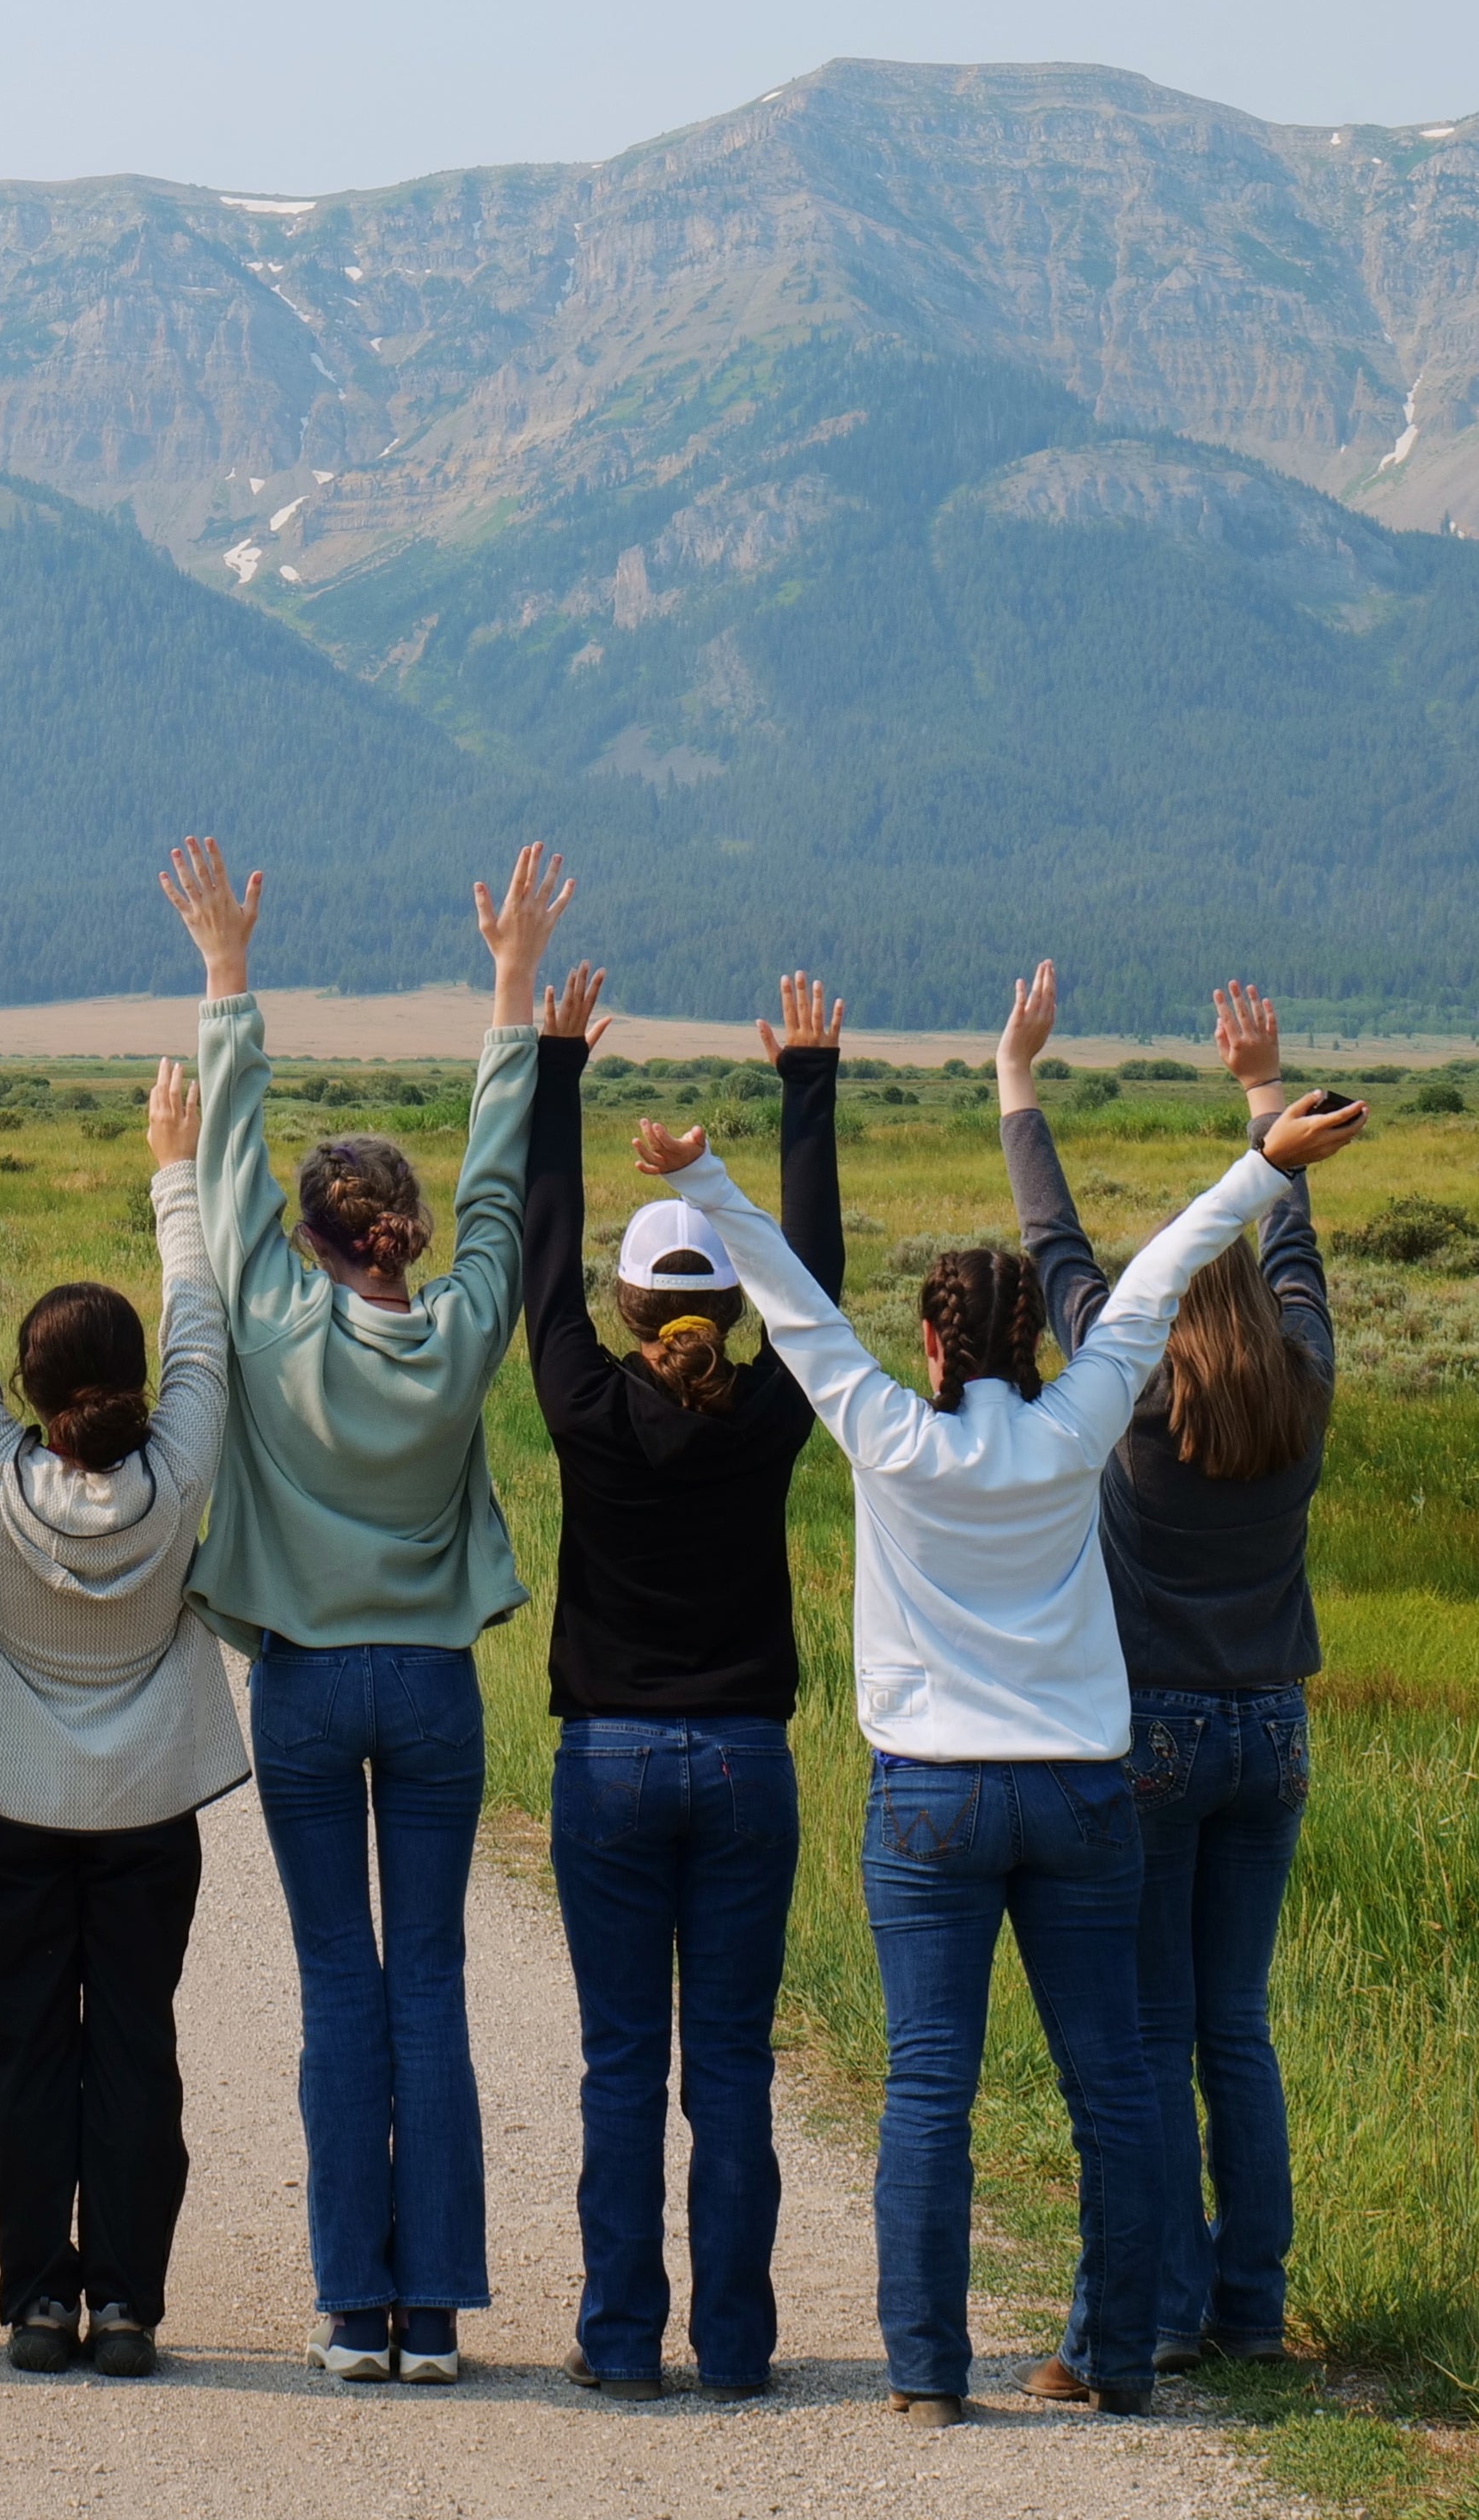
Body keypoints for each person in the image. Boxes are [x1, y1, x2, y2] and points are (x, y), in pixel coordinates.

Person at [644, 996, 1360, 2429]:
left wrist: (706, 1184)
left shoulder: (886, 1433)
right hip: (1084, 1795)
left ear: (924, 1337)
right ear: (1040, 1333)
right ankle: (1118, 2361)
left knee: (930, 2088)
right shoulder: (1081, 1422)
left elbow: (789, 1305)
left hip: (932, 1797)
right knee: (1117, 2083)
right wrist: (1263, 1159)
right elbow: (1155, 1281)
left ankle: (926, 2374)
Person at [166, 835, 565, 2386]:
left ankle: (350, 2314)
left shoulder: (267, 1317)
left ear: (312, 1238)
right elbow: (500, 1169)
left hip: (313, 1697)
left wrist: (228, 978)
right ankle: (439, 2316)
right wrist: (513, 981)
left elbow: (225, 1169)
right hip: (438, 1693)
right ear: (401, 1231)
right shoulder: (468, 1329)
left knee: (341, 1985)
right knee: (435, 1983)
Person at [1001, 971, 1339, 2399]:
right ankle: (1253, 2307)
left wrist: (1018, 1082)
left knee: (1143, 2034)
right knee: (1235, 2026)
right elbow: (1300, 1247)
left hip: (1147, 1730)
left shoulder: (1124, 1383)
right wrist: (1264, 1092)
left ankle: (1171, 2309)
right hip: (1275, 1727)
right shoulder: (1305, 1376)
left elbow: (1055, 1240)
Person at [518, 961, 847, 2404]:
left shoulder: (587, 1404)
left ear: (625, 1303)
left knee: (616, 2069)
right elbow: (814, 1290)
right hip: (743, 1767)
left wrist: (554, 1073)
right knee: (730, 2070)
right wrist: (804, 1093)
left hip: (606, 1766)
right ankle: (734, 2348)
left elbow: (536, 1256)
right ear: (728, 1302)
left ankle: (615, 2343)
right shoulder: (776, 1410)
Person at [0, 1050, 241, 2381]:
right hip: (146, 1808)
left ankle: (33, 2303)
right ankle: (125, 2301)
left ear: (31, 1393)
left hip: (11, 1799)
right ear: (130, 1391)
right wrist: (176, 1171)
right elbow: (204, 1326)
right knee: (134, 2043)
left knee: (21, 2054)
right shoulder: (175, 1481)